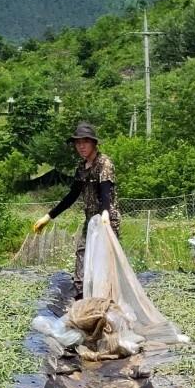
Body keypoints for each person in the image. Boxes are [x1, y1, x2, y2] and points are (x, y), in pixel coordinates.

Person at [33, 122, 120, 299]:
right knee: (82, 251)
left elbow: (106, 192)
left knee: (105, 259)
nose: (81, 146)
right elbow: (72, 195)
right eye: (78, 143)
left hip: (106, 219)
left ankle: (107, 298)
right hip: (91, 220)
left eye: (85, 142)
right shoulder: (81, 168)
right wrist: (48, 216)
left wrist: (104, 214)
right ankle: (80, 294)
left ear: (94, 143)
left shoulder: (104, 164)